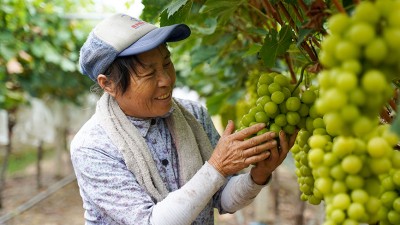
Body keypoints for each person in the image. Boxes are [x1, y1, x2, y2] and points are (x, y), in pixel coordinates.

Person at [71, 13, 297, 225]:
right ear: (107, 84)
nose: (166, 80)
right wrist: (216, 167)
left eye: (167, 64)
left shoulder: (194, 115)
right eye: (149, 73)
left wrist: (259, 174)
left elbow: (222, 199)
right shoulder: (93, 147)